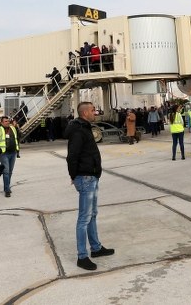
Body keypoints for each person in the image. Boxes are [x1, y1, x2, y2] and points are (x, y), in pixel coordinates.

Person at [65, 101, 114, 271]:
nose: (95, 112)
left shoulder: (85, 128)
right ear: (85, 113)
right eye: (93, 110)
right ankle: (82, 256)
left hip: (91, 177)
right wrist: (74, 175)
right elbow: (72, 156)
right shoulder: (78, 131)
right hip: (85, 177)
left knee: (92, 214)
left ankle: (96, 248)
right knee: (84, 218)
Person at [0, 116, 20, 197]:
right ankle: (7, 190)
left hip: (13, 153)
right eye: (6, 121)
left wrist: (17, 128)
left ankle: (7, 186)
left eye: (8, 121)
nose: (8, 122)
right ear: (2, 122)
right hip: (4, 153)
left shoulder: (13, 128)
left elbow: (18, 137)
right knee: (6, 171)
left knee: (10, 171)